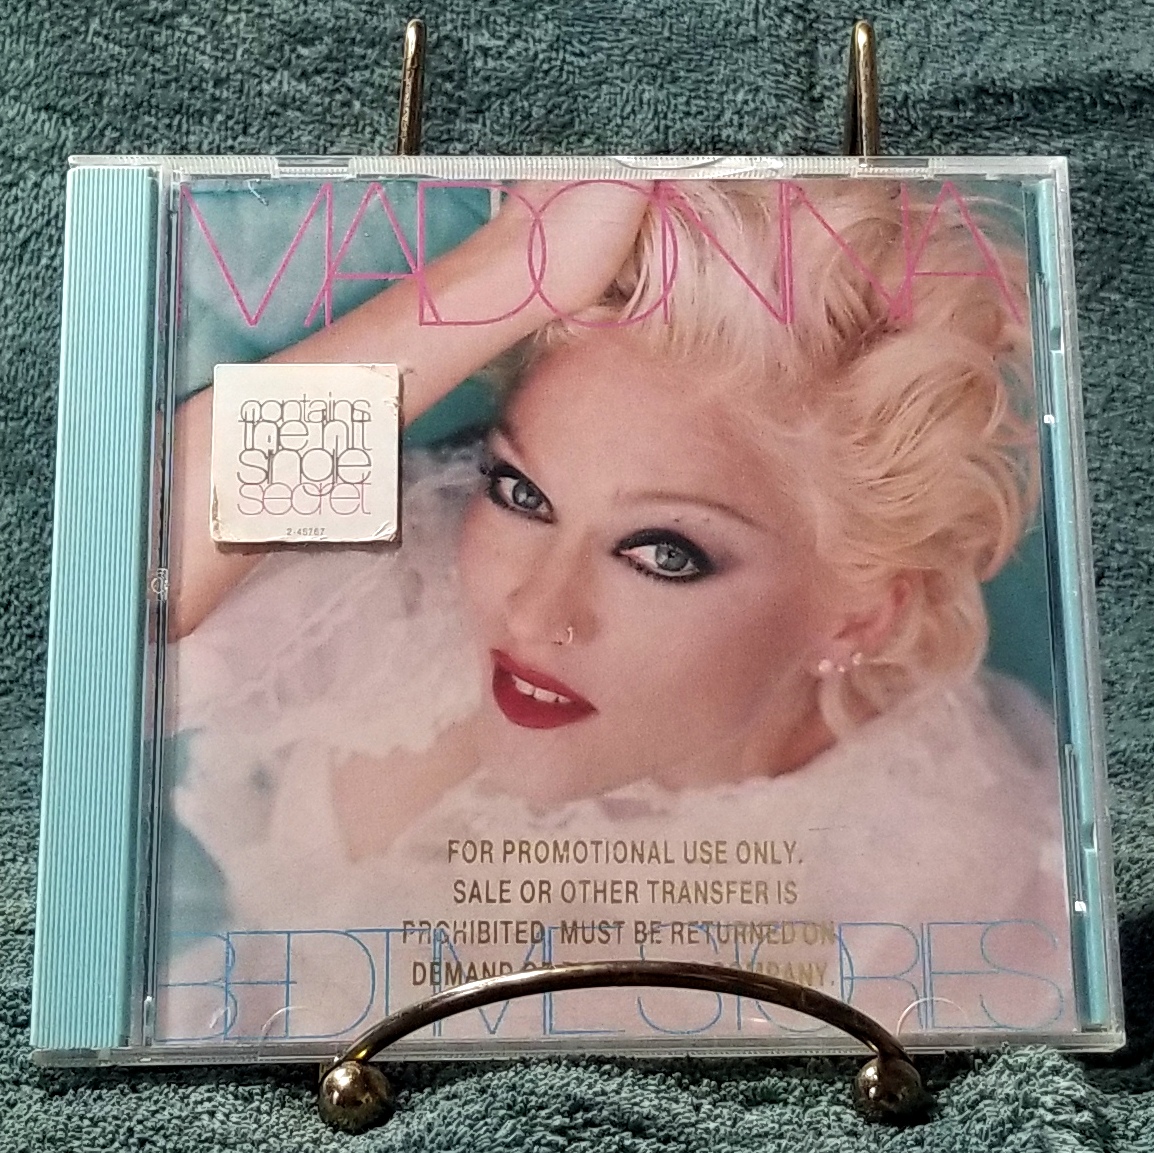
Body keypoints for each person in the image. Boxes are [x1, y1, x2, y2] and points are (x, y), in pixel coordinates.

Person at [157, 177, 1073, 1045]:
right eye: (523, 492)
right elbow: (116, 578)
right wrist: (511, 275)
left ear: (859, 616)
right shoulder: (415, 592)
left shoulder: (949, 873)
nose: (535, 611)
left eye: (663, 553)